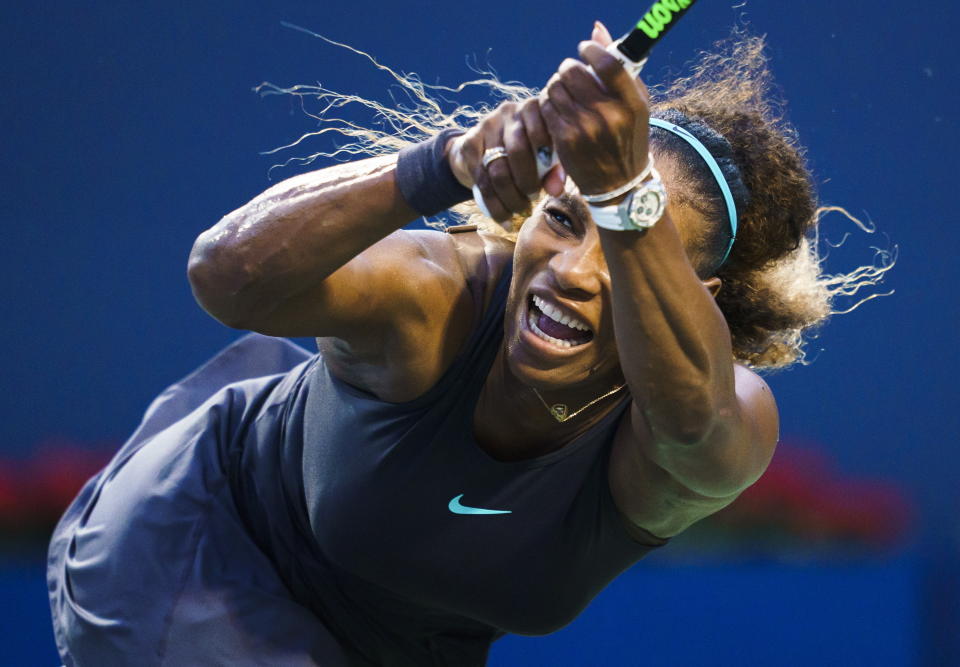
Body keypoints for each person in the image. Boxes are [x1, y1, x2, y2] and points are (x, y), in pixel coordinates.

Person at [47, 22, 884, 667]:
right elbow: (224, 274)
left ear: (693, 300)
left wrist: (630, 194)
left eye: (624, 254)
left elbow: (696, 425)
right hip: (197, 542)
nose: (573, 273)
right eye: (562, 220)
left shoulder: (707, 428)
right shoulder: (441, 293)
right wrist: (443, 163)